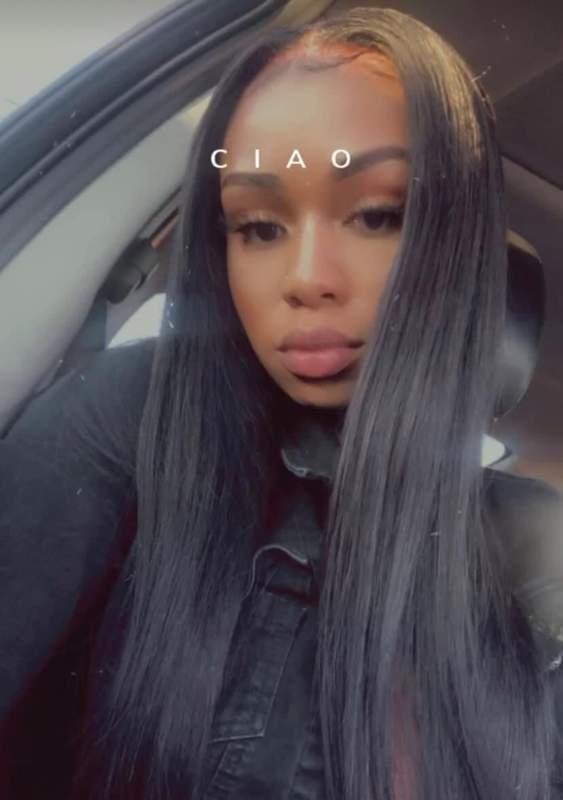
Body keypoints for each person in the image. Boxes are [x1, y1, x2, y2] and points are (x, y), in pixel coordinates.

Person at [2, 6, 563, 799]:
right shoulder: (138, 421)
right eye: (258, 226)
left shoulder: (539, 552)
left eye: (377, 215)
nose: (304, 279)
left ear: (457, 241)